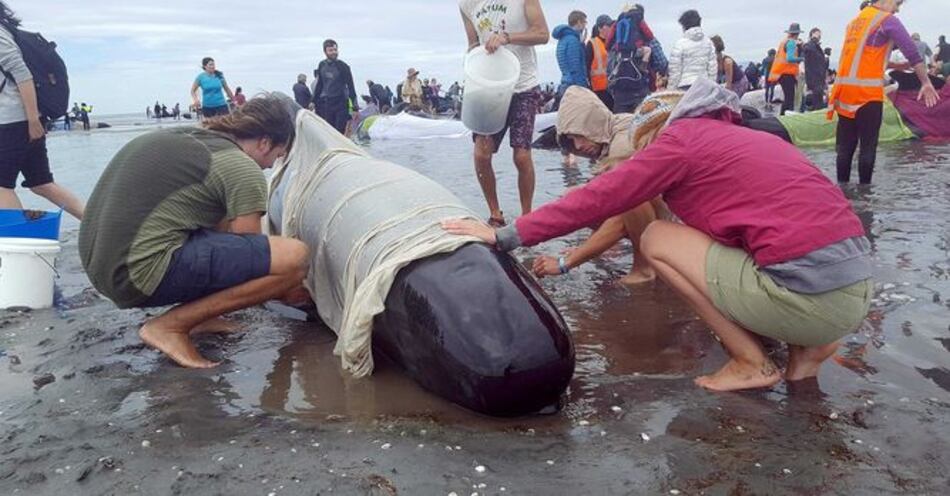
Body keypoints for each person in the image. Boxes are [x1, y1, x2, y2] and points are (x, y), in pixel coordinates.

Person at [444, 79, 874, 393]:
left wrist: (506, 236)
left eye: (644, 142)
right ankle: (807, 349)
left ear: (654, 131)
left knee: (657, 238)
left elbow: (598, 199)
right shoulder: (740, 139)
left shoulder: (679, 142)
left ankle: (750, 361)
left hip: (807, 294)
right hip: (853, 289)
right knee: (732, 243)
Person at [78, 95, 309, 369]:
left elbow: (221, 238)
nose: (271, 166)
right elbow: (253, 259)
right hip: (137, 274)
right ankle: (169, 327)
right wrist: (292, 288)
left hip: (102, 269)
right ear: (265, 142)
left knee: (215, 225)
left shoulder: (191, 138)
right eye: (277, 156)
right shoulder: (242, 166)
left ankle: (203, 318)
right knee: (294, 257)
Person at [544, 86, 681, 284]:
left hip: (680, 220)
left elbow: (622, 207)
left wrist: (569, 261)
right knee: (576, 196)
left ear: (592, 123)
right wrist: (590, 247)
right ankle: (612, 245)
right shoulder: (611, 128)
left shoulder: (622, 143)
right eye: (572, 140)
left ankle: (644, 268)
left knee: (625, 188)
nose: (578, 146)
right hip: (667, 213)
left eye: (579, 135)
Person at [829, 0, 939, 185]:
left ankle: (842, 192)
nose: (897, 9)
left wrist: (897, 66)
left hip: (844, 93)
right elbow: (912, 53)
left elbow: (866, 56)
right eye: (897, 3)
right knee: (867, 148)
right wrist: (926, 82)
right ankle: (865, 197)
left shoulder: (855, 22)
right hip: (867, 95)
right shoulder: (886, 20)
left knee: (845, 148)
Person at [460, 0, 549, 226]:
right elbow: (473, 43)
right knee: (481, 153)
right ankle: (495, 214)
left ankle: (527, 217)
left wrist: (507, 37)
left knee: (521, 155)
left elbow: (542, 34)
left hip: (524, 85)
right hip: (491, 86)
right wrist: (473, 62)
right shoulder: (466, 4)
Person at [0, 1, 84, 219]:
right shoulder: (6, 31)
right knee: (41, 183)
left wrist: (32, 119)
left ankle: (17, 238)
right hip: (21, 120)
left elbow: (22, 74)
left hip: (14, 121)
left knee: (1, 185)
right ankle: (101, 227)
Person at [311, 39, 359, 134]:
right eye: (331, 50)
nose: (334, 52)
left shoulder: (343, 66)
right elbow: (320, 85)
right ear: (325, 52)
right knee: (329, 131)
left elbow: (351, 87)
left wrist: (355, 108)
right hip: (327, 103)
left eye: (335, 50)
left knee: (339, 131)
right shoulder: (322, 65)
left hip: (341, 103)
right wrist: (313, 101)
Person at [668, 9, 717, 91]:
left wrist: (671, 89)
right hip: (704, 85)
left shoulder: (679, 44)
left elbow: (675, 71)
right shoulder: (709, 43)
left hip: (685, 86)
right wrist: (711, 86)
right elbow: (713, 68)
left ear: (684, 26)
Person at [768, 23, 804, 115]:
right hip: (786, 73)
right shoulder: (791, 43)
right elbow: (790, 58)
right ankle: (785, 117)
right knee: (790, 99)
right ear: (797, 34)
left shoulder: (784, 42)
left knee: (788, 98)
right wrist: (802, 59)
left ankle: (782, 116)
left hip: (781, 73)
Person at [553, 10, 589, 100]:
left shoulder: (563, 39)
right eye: (584, 22)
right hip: (575, 86)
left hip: (566, 82)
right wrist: (583, 87)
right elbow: (575, 67)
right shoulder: (573, 41)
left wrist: (581, 44)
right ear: (579, 22)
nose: (585, 26)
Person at [586, 15, 614, 109]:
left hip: (613, 87)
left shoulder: (614, 44)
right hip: (598, 89)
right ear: (600, 28)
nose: (610, 28)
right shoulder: (592, 43)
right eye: (608, 26)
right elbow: (586, 66)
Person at [802, 28, 828, 110]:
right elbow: (807, 50)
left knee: (819, 98)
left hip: (819, 77)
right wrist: (813, 40)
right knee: (816, 99)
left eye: (819, 35)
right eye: (817, 34)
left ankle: (817, 111)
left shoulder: (818, 49)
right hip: (813, 77)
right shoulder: (809, 46)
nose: (819, 36)